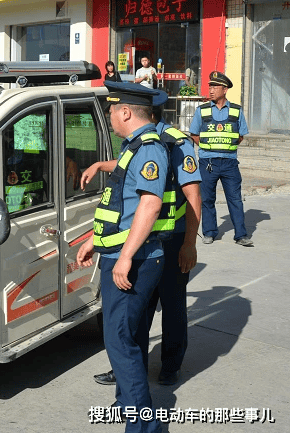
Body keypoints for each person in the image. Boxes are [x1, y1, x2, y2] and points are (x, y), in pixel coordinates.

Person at [86, 89, 202, 388]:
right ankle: (126, 366)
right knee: (137, 309)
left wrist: (190, 243)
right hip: (144, 237)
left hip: (171, 238)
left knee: (172, 304)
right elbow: (130, 166)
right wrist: (101, 164)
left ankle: (170, 364)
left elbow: (192, 196)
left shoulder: (176, 142)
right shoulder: (139, 141)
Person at [77, 82, 169, 433]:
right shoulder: (134, 148)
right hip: (120, 252)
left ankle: (144, 426)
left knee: (121, 342)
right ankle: (129, 403)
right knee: (124, 338)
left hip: (136, 260)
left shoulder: (148, 149)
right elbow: (121, 208)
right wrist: (95, 242)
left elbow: (149, 204)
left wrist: (125, 257)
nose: (111, 117)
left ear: (126, 112)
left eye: (112, 111)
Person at [189, 71, 252, 246]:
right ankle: (209, 232)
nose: (210, 90)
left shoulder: (236, 110)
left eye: (215, 86)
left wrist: (225, 146)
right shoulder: (201, 110)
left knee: (235, 199)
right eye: (210, 86)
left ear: (224, 89)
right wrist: (208, 147)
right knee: (207, 199)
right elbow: (194, 134)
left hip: (230, 162)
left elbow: (240, 136)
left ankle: (241, 235)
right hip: (207, 162)